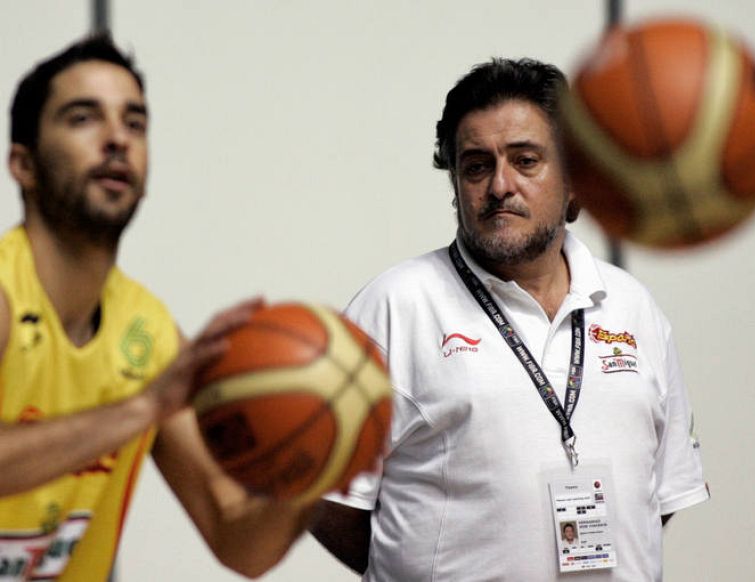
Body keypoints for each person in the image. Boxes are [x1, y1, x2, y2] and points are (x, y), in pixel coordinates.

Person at [311, 58, 709, 581]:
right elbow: (323, 500)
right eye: (476, 166)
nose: (500, 185)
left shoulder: (633, 307)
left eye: (525, 161)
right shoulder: (395, 306)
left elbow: (657, 496)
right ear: (455, 184)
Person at [0, 35, 310, 580]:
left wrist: (321, 459)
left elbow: (238, 541)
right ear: (23, 165)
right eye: (83, 118)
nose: (117, 138)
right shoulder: (5, 296)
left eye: (135, 123)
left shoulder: (146, 332)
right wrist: (144, 407)